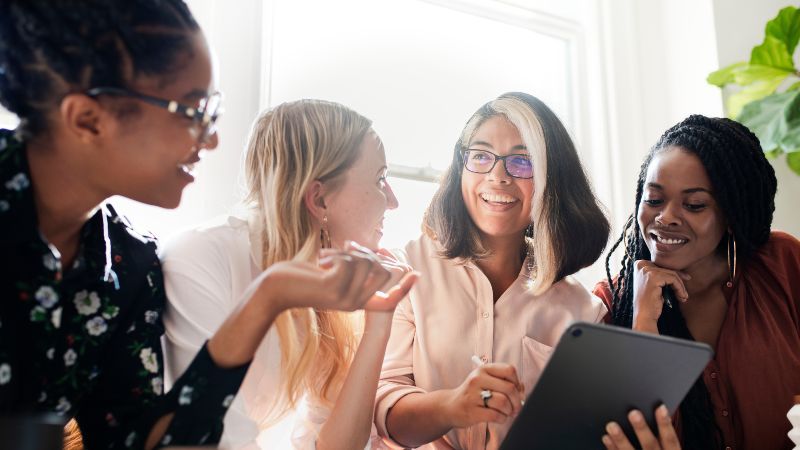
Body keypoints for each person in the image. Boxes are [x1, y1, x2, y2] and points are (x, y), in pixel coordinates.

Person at [0, 2, 405, 449]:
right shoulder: (184, 257)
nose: (211, 139)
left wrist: (266, 298)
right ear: (88, 119)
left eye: (213, 112)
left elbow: (142, 441)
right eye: (192, 111)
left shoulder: (127, 265)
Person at [161, 99, 418, 450]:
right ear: (320, 199)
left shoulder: (324, 284)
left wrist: (379, 323)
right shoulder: (201, 258)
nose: (393, 201)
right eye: (380, 179)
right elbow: (212, 438)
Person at [374, 92, 610, 449]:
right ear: (461, 167)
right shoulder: (406, 271)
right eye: (481, 156)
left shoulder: (583, 312)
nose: (498, 177)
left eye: (522, 161)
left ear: (553, 179)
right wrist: (452, 407)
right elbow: (383, 412)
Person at [596, 115, 800, 450]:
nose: (666, 217)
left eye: (694, 205)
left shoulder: (783, 266)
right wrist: (643, 322)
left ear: (732, 214)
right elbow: (628, 436)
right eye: (654, 200)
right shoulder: (610, 304)